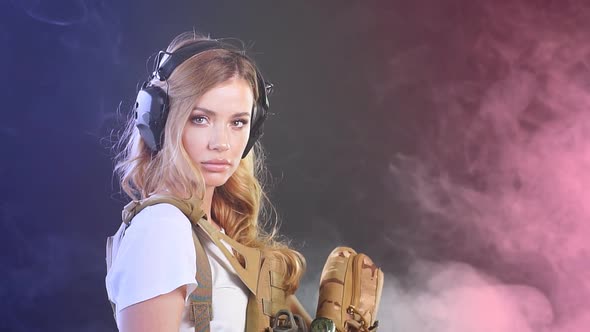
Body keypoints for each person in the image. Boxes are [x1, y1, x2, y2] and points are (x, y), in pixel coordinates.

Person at [105, 31, 311, 332]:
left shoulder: (211, 231)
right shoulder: (162, 227)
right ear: (160, 122)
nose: (222, 143)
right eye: (200, 118)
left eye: (238, 122)